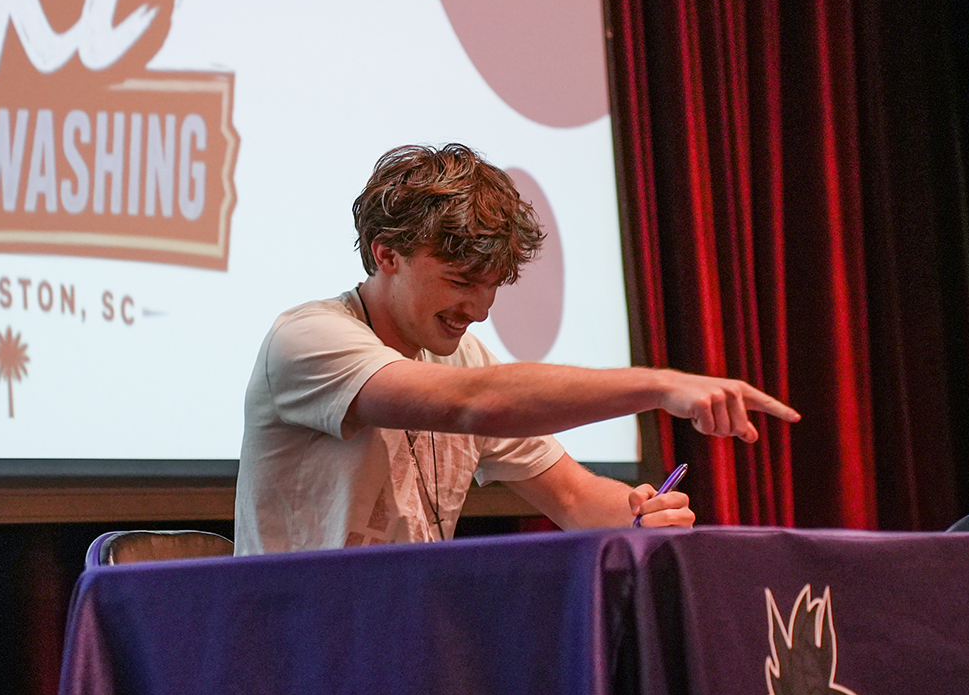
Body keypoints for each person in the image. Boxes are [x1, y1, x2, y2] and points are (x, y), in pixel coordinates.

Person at [234, 143, 800, 554]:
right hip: (293, 652)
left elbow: (574, 498)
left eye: (492, 287)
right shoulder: (307, 338)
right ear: (386, 254)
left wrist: (640, 516)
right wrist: (659, 384)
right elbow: (474, 403)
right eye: (461, 281)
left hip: (398, 646)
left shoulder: (464, 357)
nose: (479, 310)